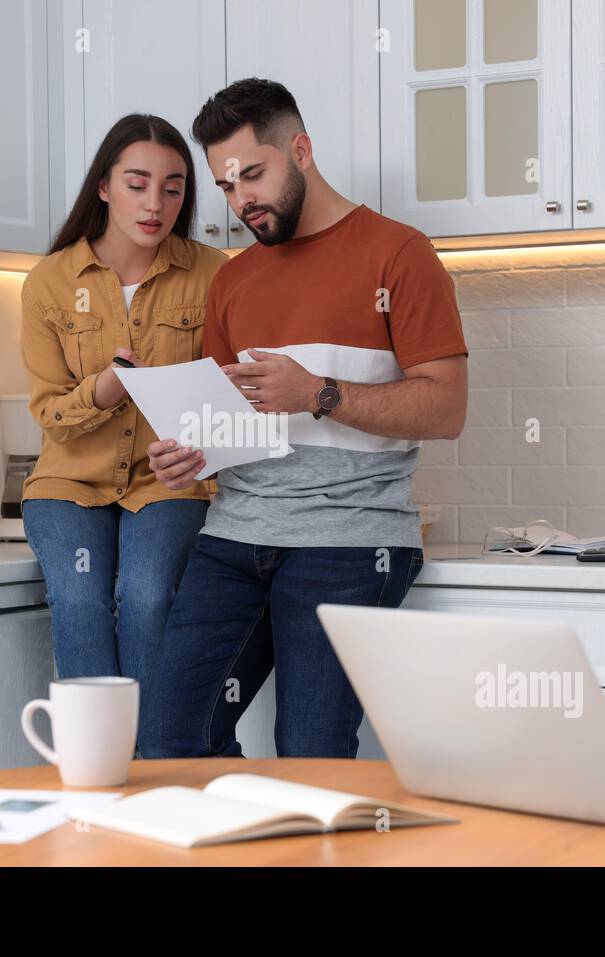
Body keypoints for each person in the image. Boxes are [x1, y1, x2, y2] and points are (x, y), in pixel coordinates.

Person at [138, 79, 469, 758]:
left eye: (253, 175)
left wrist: (319, 392)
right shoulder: (232, 280)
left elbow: (447, 405)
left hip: (350, 540)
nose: (241, 201)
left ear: (302, 150)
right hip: (234, 536)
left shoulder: (400, 255)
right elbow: (232, 423)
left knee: (312, 758)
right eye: (227, 187)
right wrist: (188, 455)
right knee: (169, 741)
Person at [20, 114, 226, 681]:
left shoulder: (214, 275)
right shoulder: (49, 282)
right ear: (105, 187)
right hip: (69, 483)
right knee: (81, 598)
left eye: (172, 187)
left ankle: (148, 760)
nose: (154, 203)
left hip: (168, 481)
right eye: (136, 185)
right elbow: (50, 417)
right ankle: (97, 764)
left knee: (148, 594)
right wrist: (104, 390)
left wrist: (199, 450)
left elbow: (233, 395)